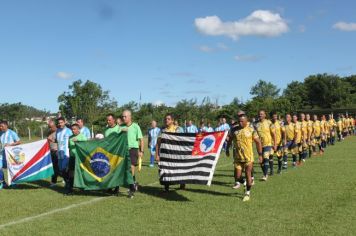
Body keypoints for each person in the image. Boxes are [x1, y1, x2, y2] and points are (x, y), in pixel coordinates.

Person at [230, 114, 262, 202]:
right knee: (238, 176)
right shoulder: (234, 130)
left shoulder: (251, 130)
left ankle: (247, 193)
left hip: (249, 157)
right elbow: (230, 139)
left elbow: (258, 142)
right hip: (238, 157)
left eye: (242, 121)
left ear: (246, 121)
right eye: (239, 121)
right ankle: (244, 183)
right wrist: (227, 149)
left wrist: (260, 155)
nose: (240, 123)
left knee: (248, 173)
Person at [156, 113, 185, 192]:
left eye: (168, 119)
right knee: (165, 170)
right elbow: (158, 143)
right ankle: (166, 187)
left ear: (172, 120)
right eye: (165, 119)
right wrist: (157, 155)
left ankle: (182, 183)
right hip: (165, 155)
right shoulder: (162, 130)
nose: (166, 120)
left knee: (179, 169)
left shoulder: (178, 129)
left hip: (176, 155)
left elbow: (183, 141)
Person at [120, 110, 144, 196]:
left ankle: (131, 188)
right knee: (125, 169)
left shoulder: (135, 126)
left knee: (131, 168)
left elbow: (141, 139)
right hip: (123, 150)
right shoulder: (121, 127)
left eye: (125, 116)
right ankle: (134, 183)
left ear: (130, 117)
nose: (123, 118)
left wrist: (141, 151)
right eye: (122, 116)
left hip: (133, 149)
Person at [66, 123, 88, 195]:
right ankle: (70, 188)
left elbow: (86, 147)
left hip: (80, 158)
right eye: (72, 129)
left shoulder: (82, 137)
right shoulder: (70, 137)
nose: (73, 131)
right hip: (72, 157)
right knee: (71, 173)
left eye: (74, 129)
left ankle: (83, 187)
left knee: (81, 172)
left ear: (78, 129)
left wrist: (78, 142)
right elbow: (69, 148)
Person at [0, 120, 21, 190]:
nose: (0, 127)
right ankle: (3, 183)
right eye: (0, 126)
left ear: (6, 126)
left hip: (10, 155)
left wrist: (10, 144)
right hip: (2, 154)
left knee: (11, 169)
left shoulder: (12, 133)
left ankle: (13, 183)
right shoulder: (1, 133)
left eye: (2, 126)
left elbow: (19, 141)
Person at [255, 110, 275, 180]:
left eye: (261, 114)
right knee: (261, 161)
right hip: (260, 145)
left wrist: (274, 144)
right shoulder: (256, 125)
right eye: (259, 114)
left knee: (266, 158)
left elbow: (273, 134)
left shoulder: (269, 122)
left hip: (268, 144)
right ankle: (265, 173)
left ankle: (265, 175)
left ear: (265, 115)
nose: (260, 115)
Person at [55, 117, 73, 189]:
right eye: (59, 123)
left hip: (66, 153)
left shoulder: (69, 131)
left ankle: (68, 184)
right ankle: (67, 182)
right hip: (59, 154)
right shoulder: (57, 131)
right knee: (60, 170)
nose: (60, 124)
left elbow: (72, 140)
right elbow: (57, 141)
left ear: (65, 122)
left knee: (64, 169)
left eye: (61, 122)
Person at [47, 120, 59, 187]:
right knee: (54, 167)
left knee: (56, 167)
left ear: (54, 126)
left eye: (51, 127)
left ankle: (54, 182)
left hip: (57, 151)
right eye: (49, 127)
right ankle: (54, 181)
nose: (50, 128)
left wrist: (52, 140)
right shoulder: (49, 132)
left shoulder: (58, 132)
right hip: (51, 151)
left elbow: (61, 142)